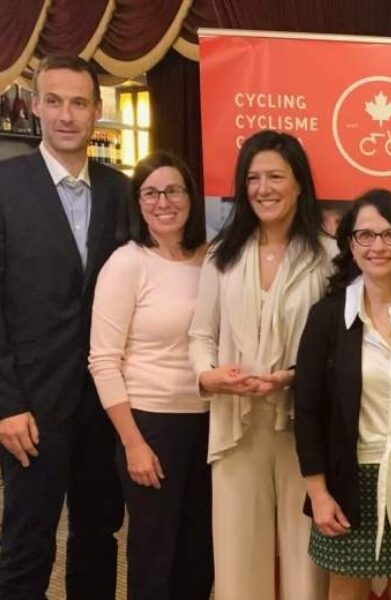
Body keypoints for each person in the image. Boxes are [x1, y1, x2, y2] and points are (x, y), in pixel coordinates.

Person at [0, 55, 126, 599]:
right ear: (35, 106)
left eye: (79, 102)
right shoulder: (4, 183)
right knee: (27, 545)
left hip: (106, 402)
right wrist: (5, 402)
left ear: (97, 111)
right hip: (30, 405)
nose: (66, 115)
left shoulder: (124, 191)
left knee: (99, 537)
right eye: (54, 101)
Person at [189, 130, 331, 600]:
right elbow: (201, 334)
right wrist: (209, 376)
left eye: (275, 176)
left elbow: (337, 348)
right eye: (253, 178)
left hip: (302, 426)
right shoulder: (222, 254)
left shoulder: (328, 256)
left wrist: (295, 377)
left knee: (306, 559)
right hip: (235, 424)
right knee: (236, 555)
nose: (263, 188)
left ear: (298, 184)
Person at [295, 189, 391, 600]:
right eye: (364, 235)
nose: (376, 246)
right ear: (350, 243)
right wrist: (319, 494)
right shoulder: (327, 317)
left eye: (390, 235)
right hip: (348, 482)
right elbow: (307, 410)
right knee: (345, 593)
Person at [88, 150, 213, 599]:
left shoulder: (213, 258)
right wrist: (133, 443)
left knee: (200, 552)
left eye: (173, 190)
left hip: (211, 422)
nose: (164, 202)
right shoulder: (127, 263)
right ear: (138, 203)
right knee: (154, 555)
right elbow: (103, 361)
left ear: (190, 197)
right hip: (150, 424)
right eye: (151, 193)